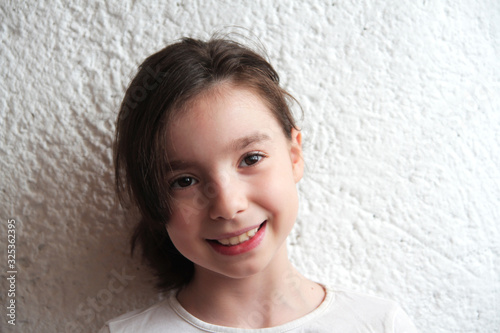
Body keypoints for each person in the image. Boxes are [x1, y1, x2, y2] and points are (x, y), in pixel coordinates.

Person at [99, 36, 418, 332]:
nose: (227, 205)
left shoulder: (380, 324)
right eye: (185, 181)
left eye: (250, 159)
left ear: (294, 155)